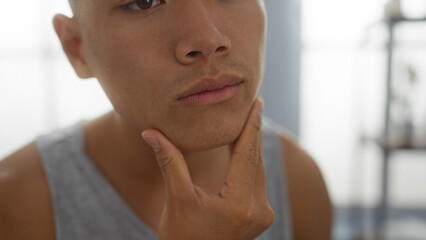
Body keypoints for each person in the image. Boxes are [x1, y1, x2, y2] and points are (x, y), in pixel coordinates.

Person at [0, 0, 332, 239]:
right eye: (144, 3)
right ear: (77, 48)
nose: (208, 39)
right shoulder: (17, 203)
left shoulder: (296, 180)